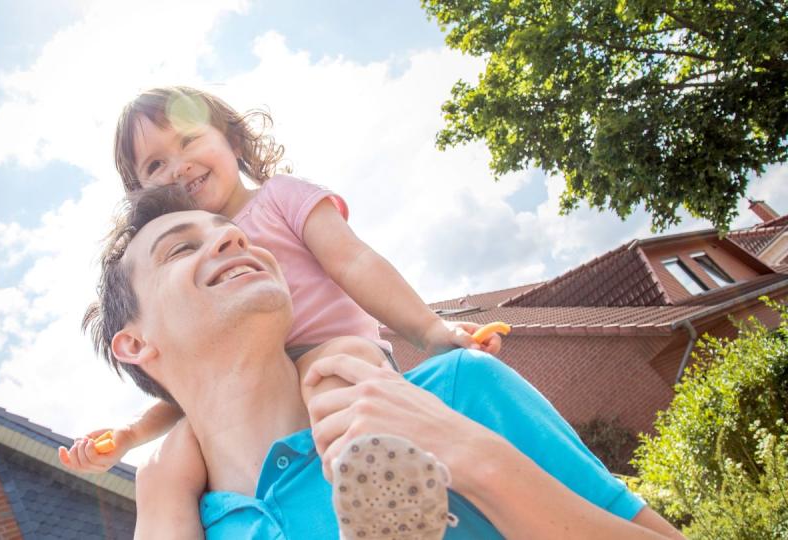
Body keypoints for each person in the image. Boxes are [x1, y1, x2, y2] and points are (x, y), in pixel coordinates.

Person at [83, 187, 683, 538]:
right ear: (134, 344)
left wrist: (472, 457)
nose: (235, 239)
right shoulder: (186, 517)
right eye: (182, 249)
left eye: (232, 232)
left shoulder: (456, 392)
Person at [61, 87, 504, 536]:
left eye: (189, 140)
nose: (178, 166)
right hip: (244, 389)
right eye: (155, 165)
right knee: (161, 467)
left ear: (233, 141)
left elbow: (353, 260)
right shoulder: (184, 271)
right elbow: (185, 388)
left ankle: (382, 498)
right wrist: (131, 437)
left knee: (334, 370)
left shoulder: (281, 198)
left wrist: (427, 329)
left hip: (335, 353)